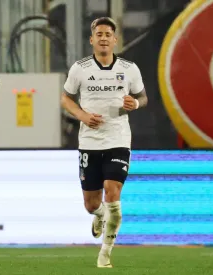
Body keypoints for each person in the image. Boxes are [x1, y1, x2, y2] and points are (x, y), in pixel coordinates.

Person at [60, 17, 148, 268]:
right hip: (89, 142)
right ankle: (98, 216)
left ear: (115, 39)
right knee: (91, 204)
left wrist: (136, 103)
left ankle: (105, 254)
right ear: (92, 39)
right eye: (99, 34)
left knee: (114, 194)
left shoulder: (129, 68)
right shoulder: (81, 68)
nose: (103, 38)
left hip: (118, 139)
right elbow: (65, 98)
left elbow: (142, 97)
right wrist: (82, 116)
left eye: (108, 34)